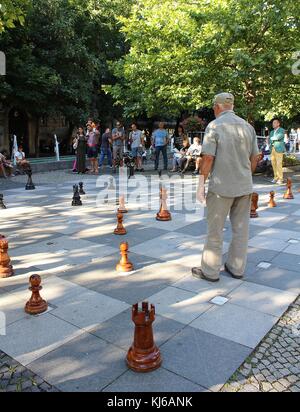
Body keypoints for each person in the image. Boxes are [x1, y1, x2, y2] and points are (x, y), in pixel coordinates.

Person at [192, 92, 259, 282]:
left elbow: (208, 158)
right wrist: (246, 175)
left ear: (218, 106)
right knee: (241, 229)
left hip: (221, 188)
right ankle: (237, 268)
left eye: (214, 107)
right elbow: (254, 158)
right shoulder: (248, 127)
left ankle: (210, 271)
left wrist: (200, 184)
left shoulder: (214, 126)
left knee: (215, 230)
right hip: (244, 186)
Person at [270, 118, 285, 185]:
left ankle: (280, 179)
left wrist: (271, 138)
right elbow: (271, 140)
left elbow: (278, 137)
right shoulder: (271, 132)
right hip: (272, 148)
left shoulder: (281, 130)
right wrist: (271, 139)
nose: (273, 124)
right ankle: (275, 177)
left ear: (278, 124)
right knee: (273, 163)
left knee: (279, 163)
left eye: (275, 123)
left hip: (278, 148)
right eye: (273, 123)